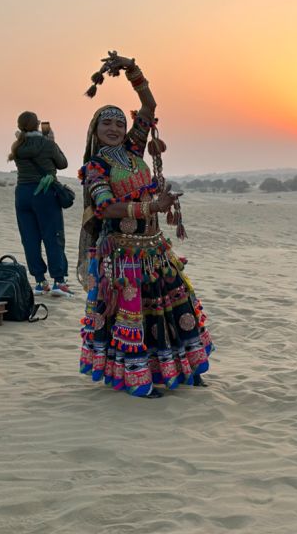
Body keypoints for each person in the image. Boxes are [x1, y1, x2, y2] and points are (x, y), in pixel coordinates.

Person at [77, 52, 213, 398]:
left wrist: (131, 69)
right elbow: (106, 207)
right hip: (124, 255)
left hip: (155, 248)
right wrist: (153, 205)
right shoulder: (96, 167)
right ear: (95, 129)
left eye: (120, 123)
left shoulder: (135, 150)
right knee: (134, 317)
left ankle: (184, 369)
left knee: (175, 308)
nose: (115, 129)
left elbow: (149, 105)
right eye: (107, 124)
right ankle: (139, 380)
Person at [9, 111, 73, 297]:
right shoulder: (47, 144)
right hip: (44, 193)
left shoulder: (17, 145)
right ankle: (59, 282)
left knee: (30, 239)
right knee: (53, 237)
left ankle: (39, 281)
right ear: (37, 125)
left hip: (23, 193)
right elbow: (62, 164)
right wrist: (53, 140)